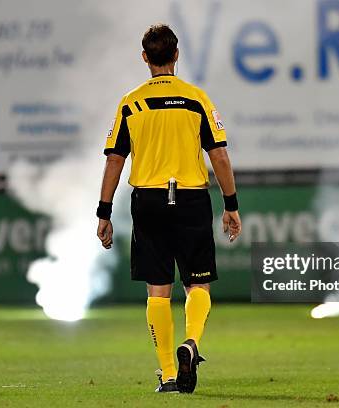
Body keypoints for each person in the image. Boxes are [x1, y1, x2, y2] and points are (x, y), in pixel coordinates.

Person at [95, 24, 241, 394]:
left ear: (145, 57)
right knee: (197, 283)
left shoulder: (131, 102)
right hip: (190, 198)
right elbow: (219, 154)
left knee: (158, 291)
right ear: (177, 55)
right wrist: (231, 205)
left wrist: (104, 211)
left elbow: (115, 159)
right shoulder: (196, 99)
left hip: (149, 201)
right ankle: (191, 343)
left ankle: (168, 375)